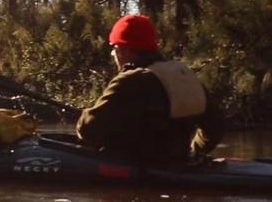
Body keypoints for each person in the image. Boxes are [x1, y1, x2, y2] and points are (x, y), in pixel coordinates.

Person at [77, 13, 223, 163]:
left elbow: (88, 130)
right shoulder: (184, 75)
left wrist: (86, 113)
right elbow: (215, 128)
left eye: (114, 49)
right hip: (180, 163)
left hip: (136, 167)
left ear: (124, 50)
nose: (114, 55)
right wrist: (194, 153)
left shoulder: (129, 81)